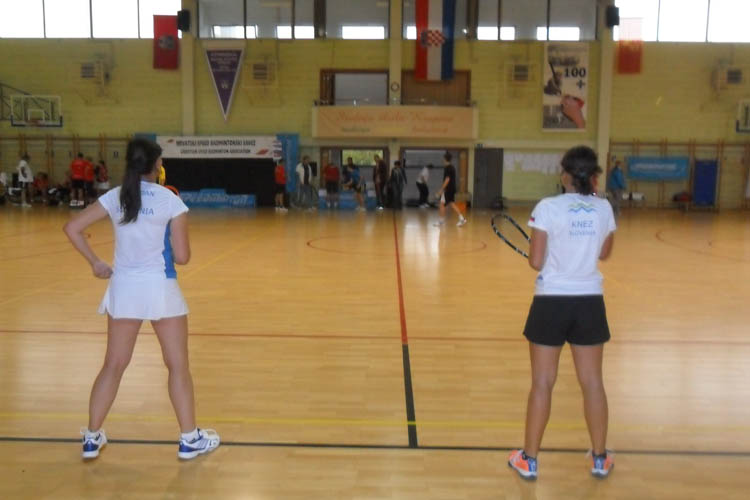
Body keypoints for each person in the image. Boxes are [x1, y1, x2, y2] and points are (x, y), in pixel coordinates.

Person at [63, 138, 220, 461]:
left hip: (124, 289)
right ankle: (189, 439)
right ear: (156, 165)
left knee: (113, 365)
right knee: (177, 366)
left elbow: (72, 227)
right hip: (161, 287)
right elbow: (182, 256)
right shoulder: (170, 201)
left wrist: (95, 262)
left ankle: (91, 437)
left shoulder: (116, 196)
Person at [508, 145, 616, 481]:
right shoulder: (604, 208)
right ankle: (600, 458)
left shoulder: (547, 207)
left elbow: (536, 261)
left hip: (551, 302)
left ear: (565, 174)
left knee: (542, 382)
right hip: (589, 302)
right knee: (592, 383)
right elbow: (604, 253)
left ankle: (529, 460)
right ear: (593, 176)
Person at [434, 152, 467, 227]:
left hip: (448, 189)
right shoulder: (452, 167)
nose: (442, 160)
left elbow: (447, 180)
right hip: (451, 189)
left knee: (442, 204)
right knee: (451, 203)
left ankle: (440, 221)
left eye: (443, 158)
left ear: (445, 159)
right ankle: (462, 219)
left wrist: (441, 189)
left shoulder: (448, 168)